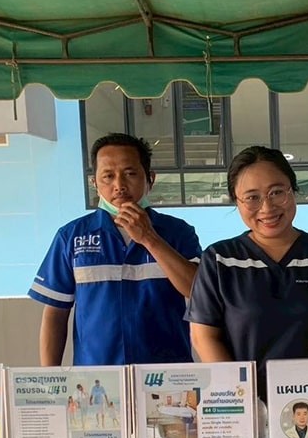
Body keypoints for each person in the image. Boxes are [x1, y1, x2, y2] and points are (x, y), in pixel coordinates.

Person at [187, 146, 308, 397]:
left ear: (293, 190)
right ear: (236, 201)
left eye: (276, 192)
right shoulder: (220, 260)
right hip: (246, 402)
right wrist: (242, 397)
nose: (267, 207)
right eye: (252, 197)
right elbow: (204, 337)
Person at [29, 133, 202, 366]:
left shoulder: (178, 232)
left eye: (130, 174)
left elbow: (197, 291)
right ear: (94, 183)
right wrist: (52, 378)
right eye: (108, 176)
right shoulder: (71, 237)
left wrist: (149, 238)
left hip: (168, 375)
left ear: (150, 178)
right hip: (96, 375)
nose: (119, 186)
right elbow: (55, 314)